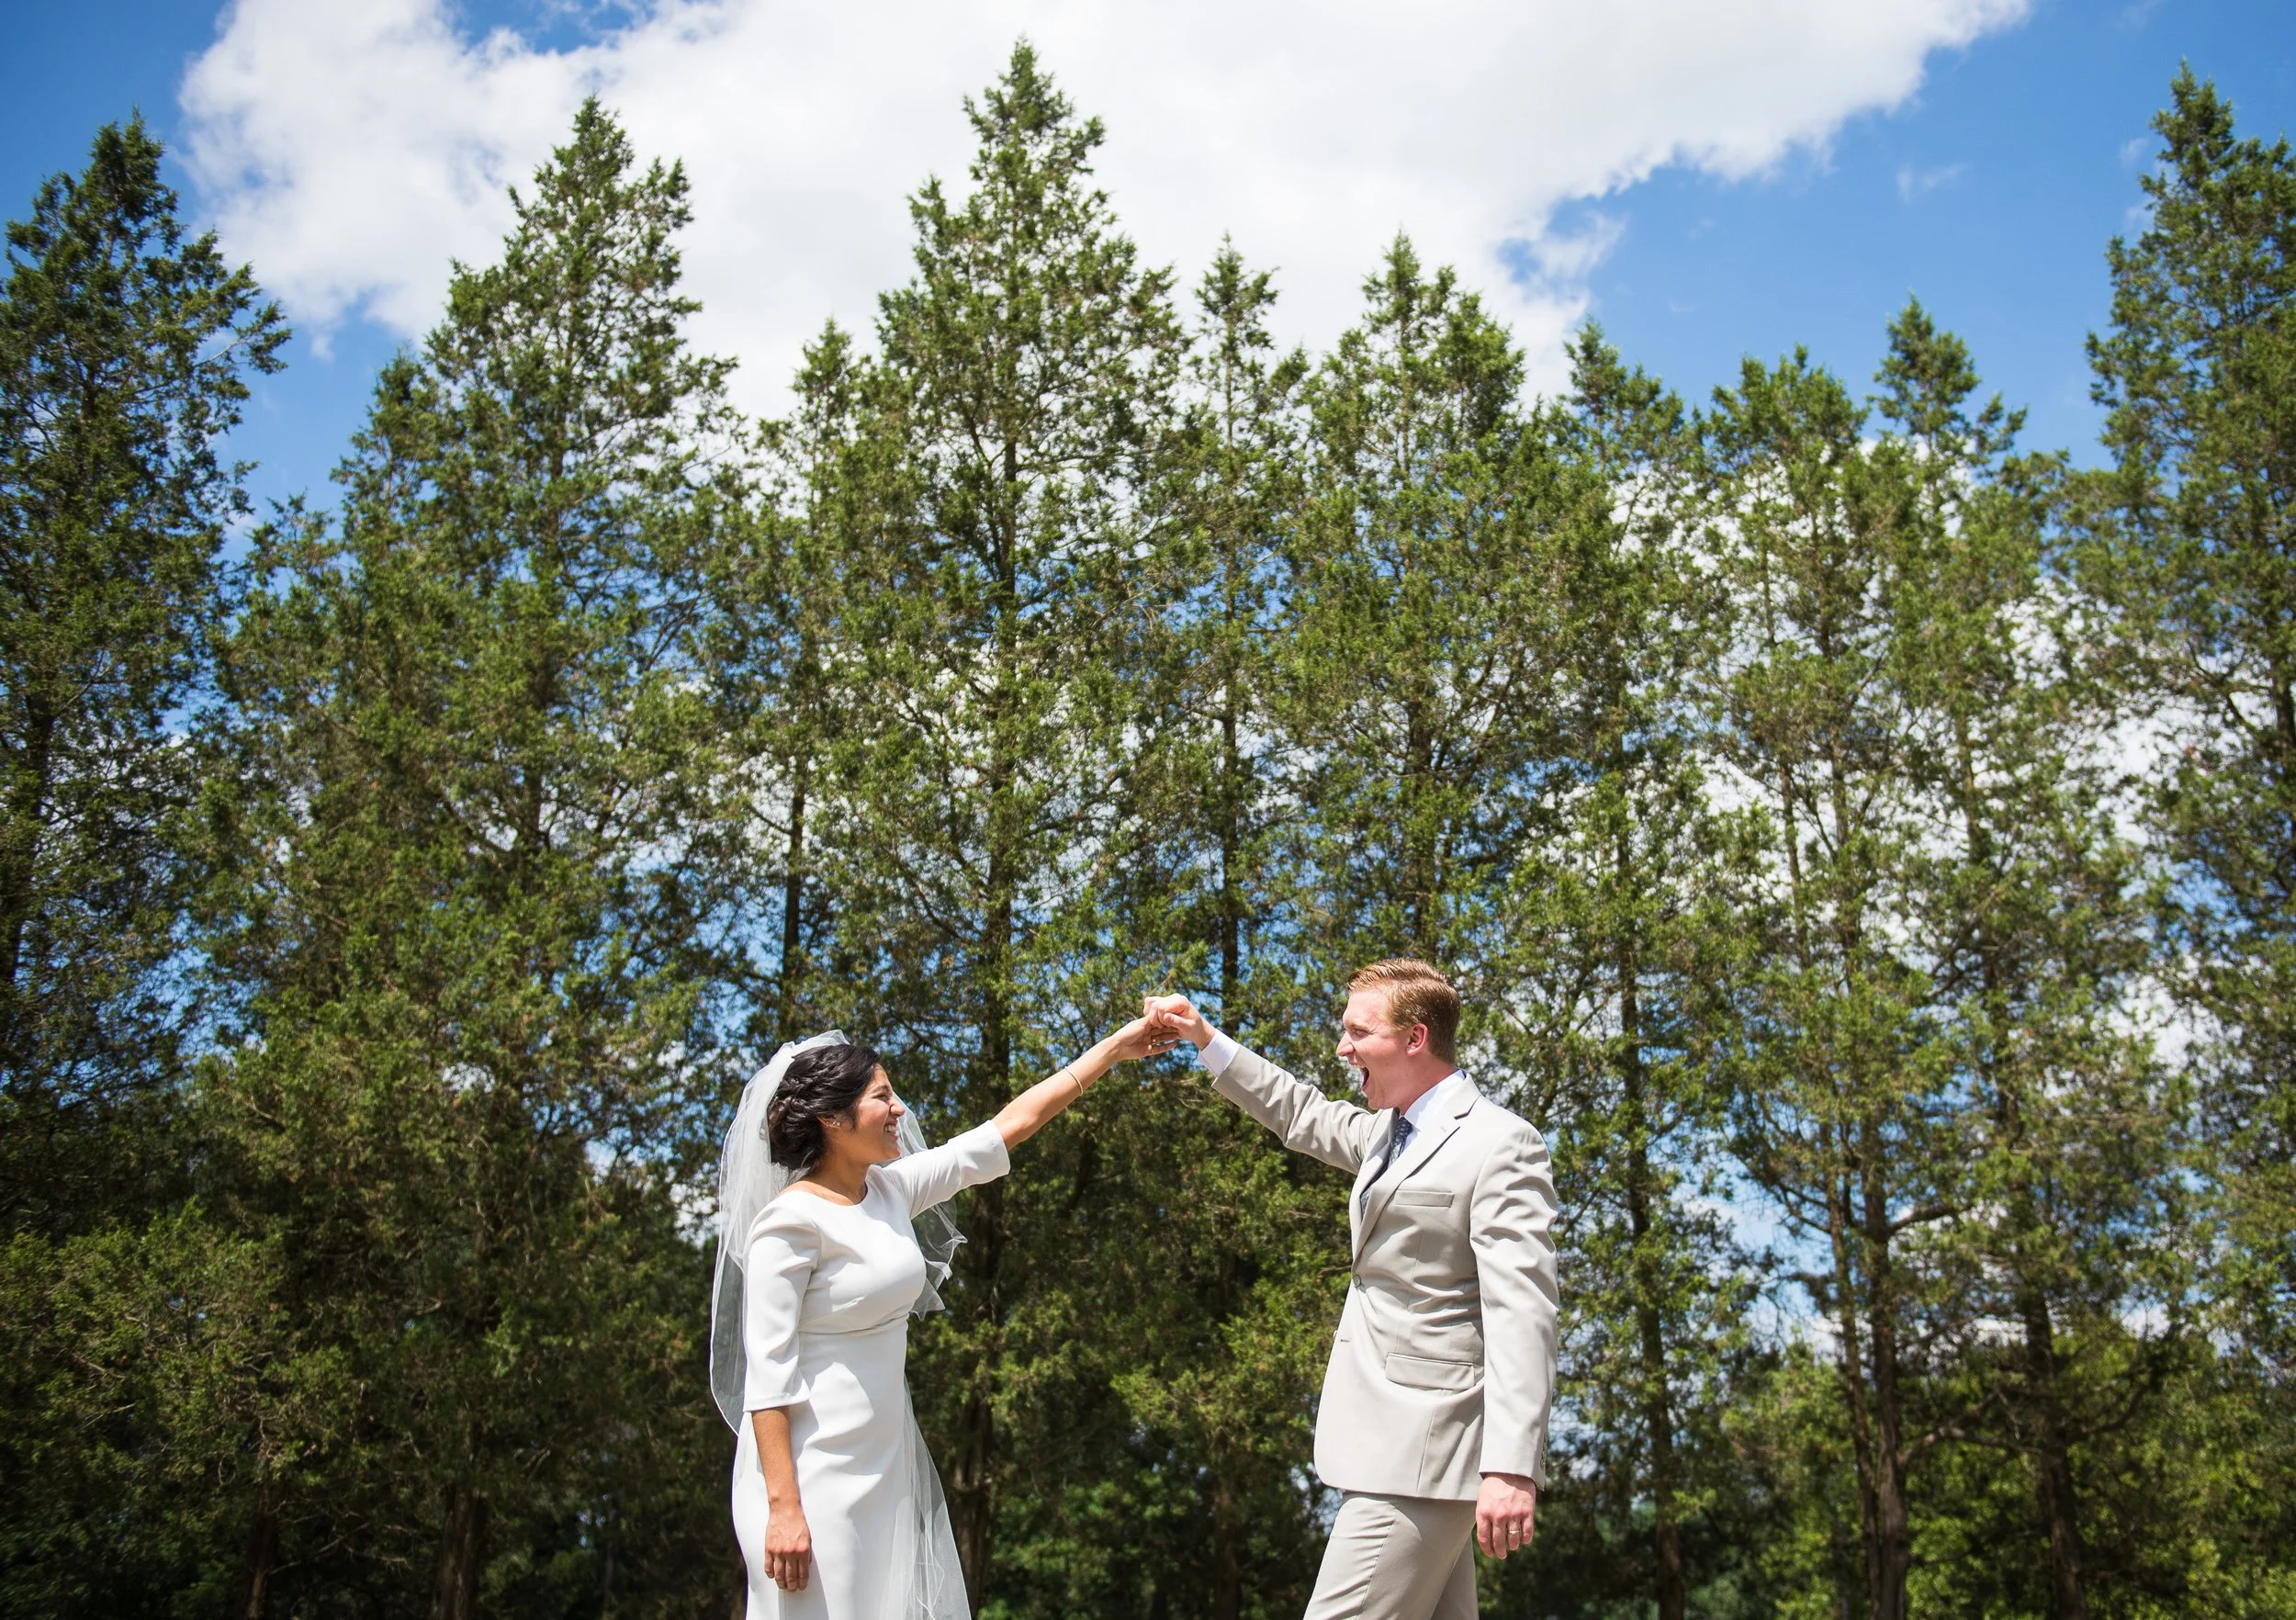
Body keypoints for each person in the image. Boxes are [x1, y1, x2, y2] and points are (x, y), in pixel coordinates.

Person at [709, 1019, 1173, 1620]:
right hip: (807, 1481)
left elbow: (1010, 1127)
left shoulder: (890, 1192)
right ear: (831, 1118)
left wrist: (1116, 1049)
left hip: (881, 1470)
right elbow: (767, 1380)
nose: (900, 1108)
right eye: (881, 1097)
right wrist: (784, 1509)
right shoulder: (789, 1225)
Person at [1147, 960, 1559, 1620]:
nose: (1342, 1048)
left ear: (1415, 1038)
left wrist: (1512, 1465)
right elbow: (1297, 1110)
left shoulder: (1499, 1144)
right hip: (1393, 1450)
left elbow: (1522, 1311)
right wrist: (1204, 1037)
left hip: (1426, 1450)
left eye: (1357, 1032)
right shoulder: (1384, 1136)